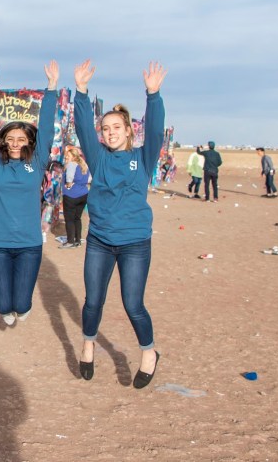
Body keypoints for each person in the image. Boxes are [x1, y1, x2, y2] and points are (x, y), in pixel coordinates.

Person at [73, 59, 166, 389]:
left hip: (135, 243)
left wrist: (152, 94)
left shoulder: (142, 158)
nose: (110, 133)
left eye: (116, 127)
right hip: (99, 240)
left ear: (129, 130)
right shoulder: (98, 158)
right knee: (93, 301)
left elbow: (155, 130)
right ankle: (88, 345)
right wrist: (80, 92)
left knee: (133, 304)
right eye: (105, 129)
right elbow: (83, 128)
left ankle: (149, 352)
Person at [0, 62, 58, 326]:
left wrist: (51, 88)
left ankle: (23, 306)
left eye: (21, 139)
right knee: (3, 306)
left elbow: (48, 130)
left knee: (21, 304)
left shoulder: (38, 162)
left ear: (30, 142)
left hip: (29, 244)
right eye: (10, 138)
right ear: (3, 142)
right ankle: (8, 307)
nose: (16, 143)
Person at [59, 146, 89, 248]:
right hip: (83, 194)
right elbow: (88, 179)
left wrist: (68, 184)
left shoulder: (72, 164)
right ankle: (77, 240)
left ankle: (70, 241)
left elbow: (69, 179)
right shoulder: (83, 165)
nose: (66, 157)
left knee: (69, 219)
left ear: (73, 156)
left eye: (68, 155)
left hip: (72, 195)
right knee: (77, 218)